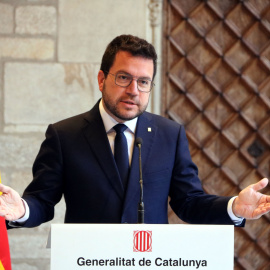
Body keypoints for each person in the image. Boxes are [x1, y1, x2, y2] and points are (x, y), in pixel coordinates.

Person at [0, 34, 269, 228]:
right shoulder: (64, 135)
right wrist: (21, 209)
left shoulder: (169, 134)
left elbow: (189, 202)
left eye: (143, 82)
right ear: (102, 79)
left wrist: (234, 207)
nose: (133, 90)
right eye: (123, 78)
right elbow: (42, 202)